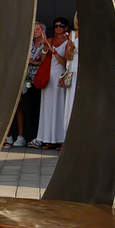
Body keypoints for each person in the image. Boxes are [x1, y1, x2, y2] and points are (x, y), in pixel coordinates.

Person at [30, 17, 74, 150]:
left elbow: (65, 62)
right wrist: (45, 47)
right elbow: (43, 59)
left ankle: (61, 139)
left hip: (60, 77)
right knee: (48, 108)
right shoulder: (50, 40)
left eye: (61, 25)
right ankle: (48, 139)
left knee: (60, 107)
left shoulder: (68, 42)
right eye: (56, 26)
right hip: (48, 77)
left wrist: (54, 52)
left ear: (66, 28)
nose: (58, 28)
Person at [5, 22, 46, 148]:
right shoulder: (30, 45)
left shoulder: (45, 45)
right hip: (28, 79)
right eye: (33, 29)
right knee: (29, 108)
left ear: (43, 31)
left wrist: (33, 62)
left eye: (38, 29)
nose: (35, 31)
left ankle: (40, 138)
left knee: (39, 108)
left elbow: (44, 62)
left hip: (41, 79)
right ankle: (30, 137)